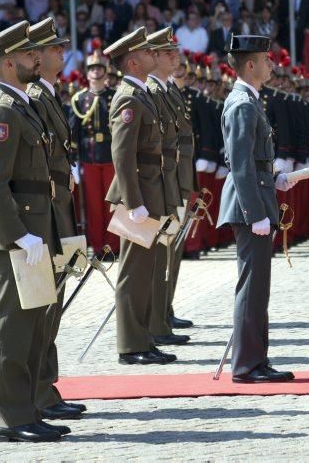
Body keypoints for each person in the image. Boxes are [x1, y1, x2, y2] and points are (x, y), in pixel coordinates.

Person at [0, 21, 66, 442]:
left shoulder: (22, 105)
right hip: (18, 234)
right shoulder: (2, 111)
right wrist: (18, 235)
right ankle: (11, 419)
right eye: (30, 55)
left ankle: (29, 409)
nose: (38, 59)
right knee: (12, 324)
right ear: (9, 62)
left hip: (35, 228)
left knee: (32, 324)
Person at [216, 34, 295, 383]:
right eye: (266, 59)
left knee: (258, 285)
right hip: (250, 209)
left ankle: (256, 359)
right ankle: (247, 365)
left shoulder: (249, 99)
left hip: (258, 201)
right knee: (251, 286)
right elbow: (241, 166)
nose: (271, 64)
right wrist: (256, 214)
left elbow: (256, 162)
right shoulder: (243, 103)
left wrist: (274, 177)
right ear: (250, 65)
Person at [103, 27, 177, 366]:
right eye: (147, 52)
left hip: (150, 193)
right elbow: (123, 155)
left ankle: (143, 339)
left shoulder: (141, 93)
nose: (154, 55)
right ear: (133, 62)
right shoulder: (129, 98)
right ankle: (130, 345)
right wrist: (133, 203)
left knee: (146, 271)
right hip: (139, 198)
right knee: (133, 272)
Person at [26, 17, 86, 420]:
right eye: (55, 48)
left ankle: (46, 387)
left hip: (58, 208)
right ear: (36, 57)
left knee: (54, 303)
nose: (62, 53)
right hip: (43, 212)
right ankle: (36, 391)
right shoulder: (33, 96)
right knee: (42, 308)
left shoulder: (49, 93)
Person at [144, 27, 190, 348]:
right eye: (169, 53)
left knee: (170, 255)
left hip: (175, 183)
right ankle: (155, 321)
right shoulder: (150, 92)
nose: (177, 57)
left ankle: (163, 313)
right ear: (155, 57)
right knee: (158, 257)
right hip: (160, 185)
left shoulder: (168, 90)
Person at [70, 43, 119, 255]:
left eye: (99, 68)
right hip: (89, 158)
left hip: (111, 156)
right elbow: (74, 132)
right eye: (92, 69)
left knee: (112, 204)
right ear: (87, 73)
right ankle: (98, 246)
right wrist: (73, 161)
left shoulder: (114, 96)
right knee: (93, 206)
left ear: (105, 71)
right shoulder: (80, 99)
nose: (95, 72)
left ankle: (113, 245)